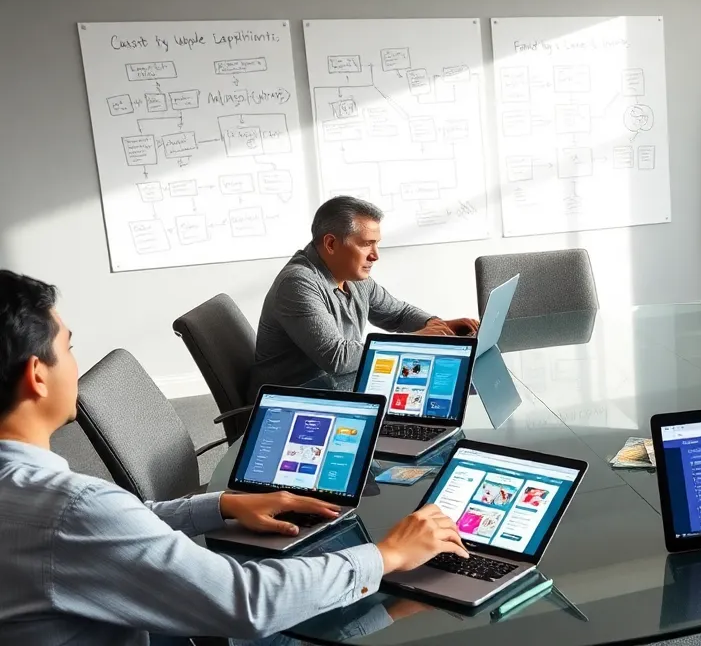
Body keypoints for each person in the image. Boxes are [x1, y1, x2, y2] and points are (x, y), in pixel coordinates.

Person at [0, 270, 473, 644]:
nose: (74, 364)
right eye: (69, 348)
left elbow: (116, 524)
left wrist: (222, 504)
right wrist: (386, 555)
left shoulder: (49, 504)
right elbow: (248, 603)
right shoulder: (72, 510)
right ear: (37, 375)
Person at [252, 196, 479, 392]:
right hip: (295, 401)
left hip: (339, 386)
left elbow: (398, 314)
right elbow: (337, 358)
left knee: (447, 385)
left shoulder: (353, 276)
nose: (375, 255)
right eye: (366, 244)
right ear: (331, 243)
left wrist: (439, 326)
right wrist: (418, 339)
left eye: (376, 244)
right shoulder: (298, 283)